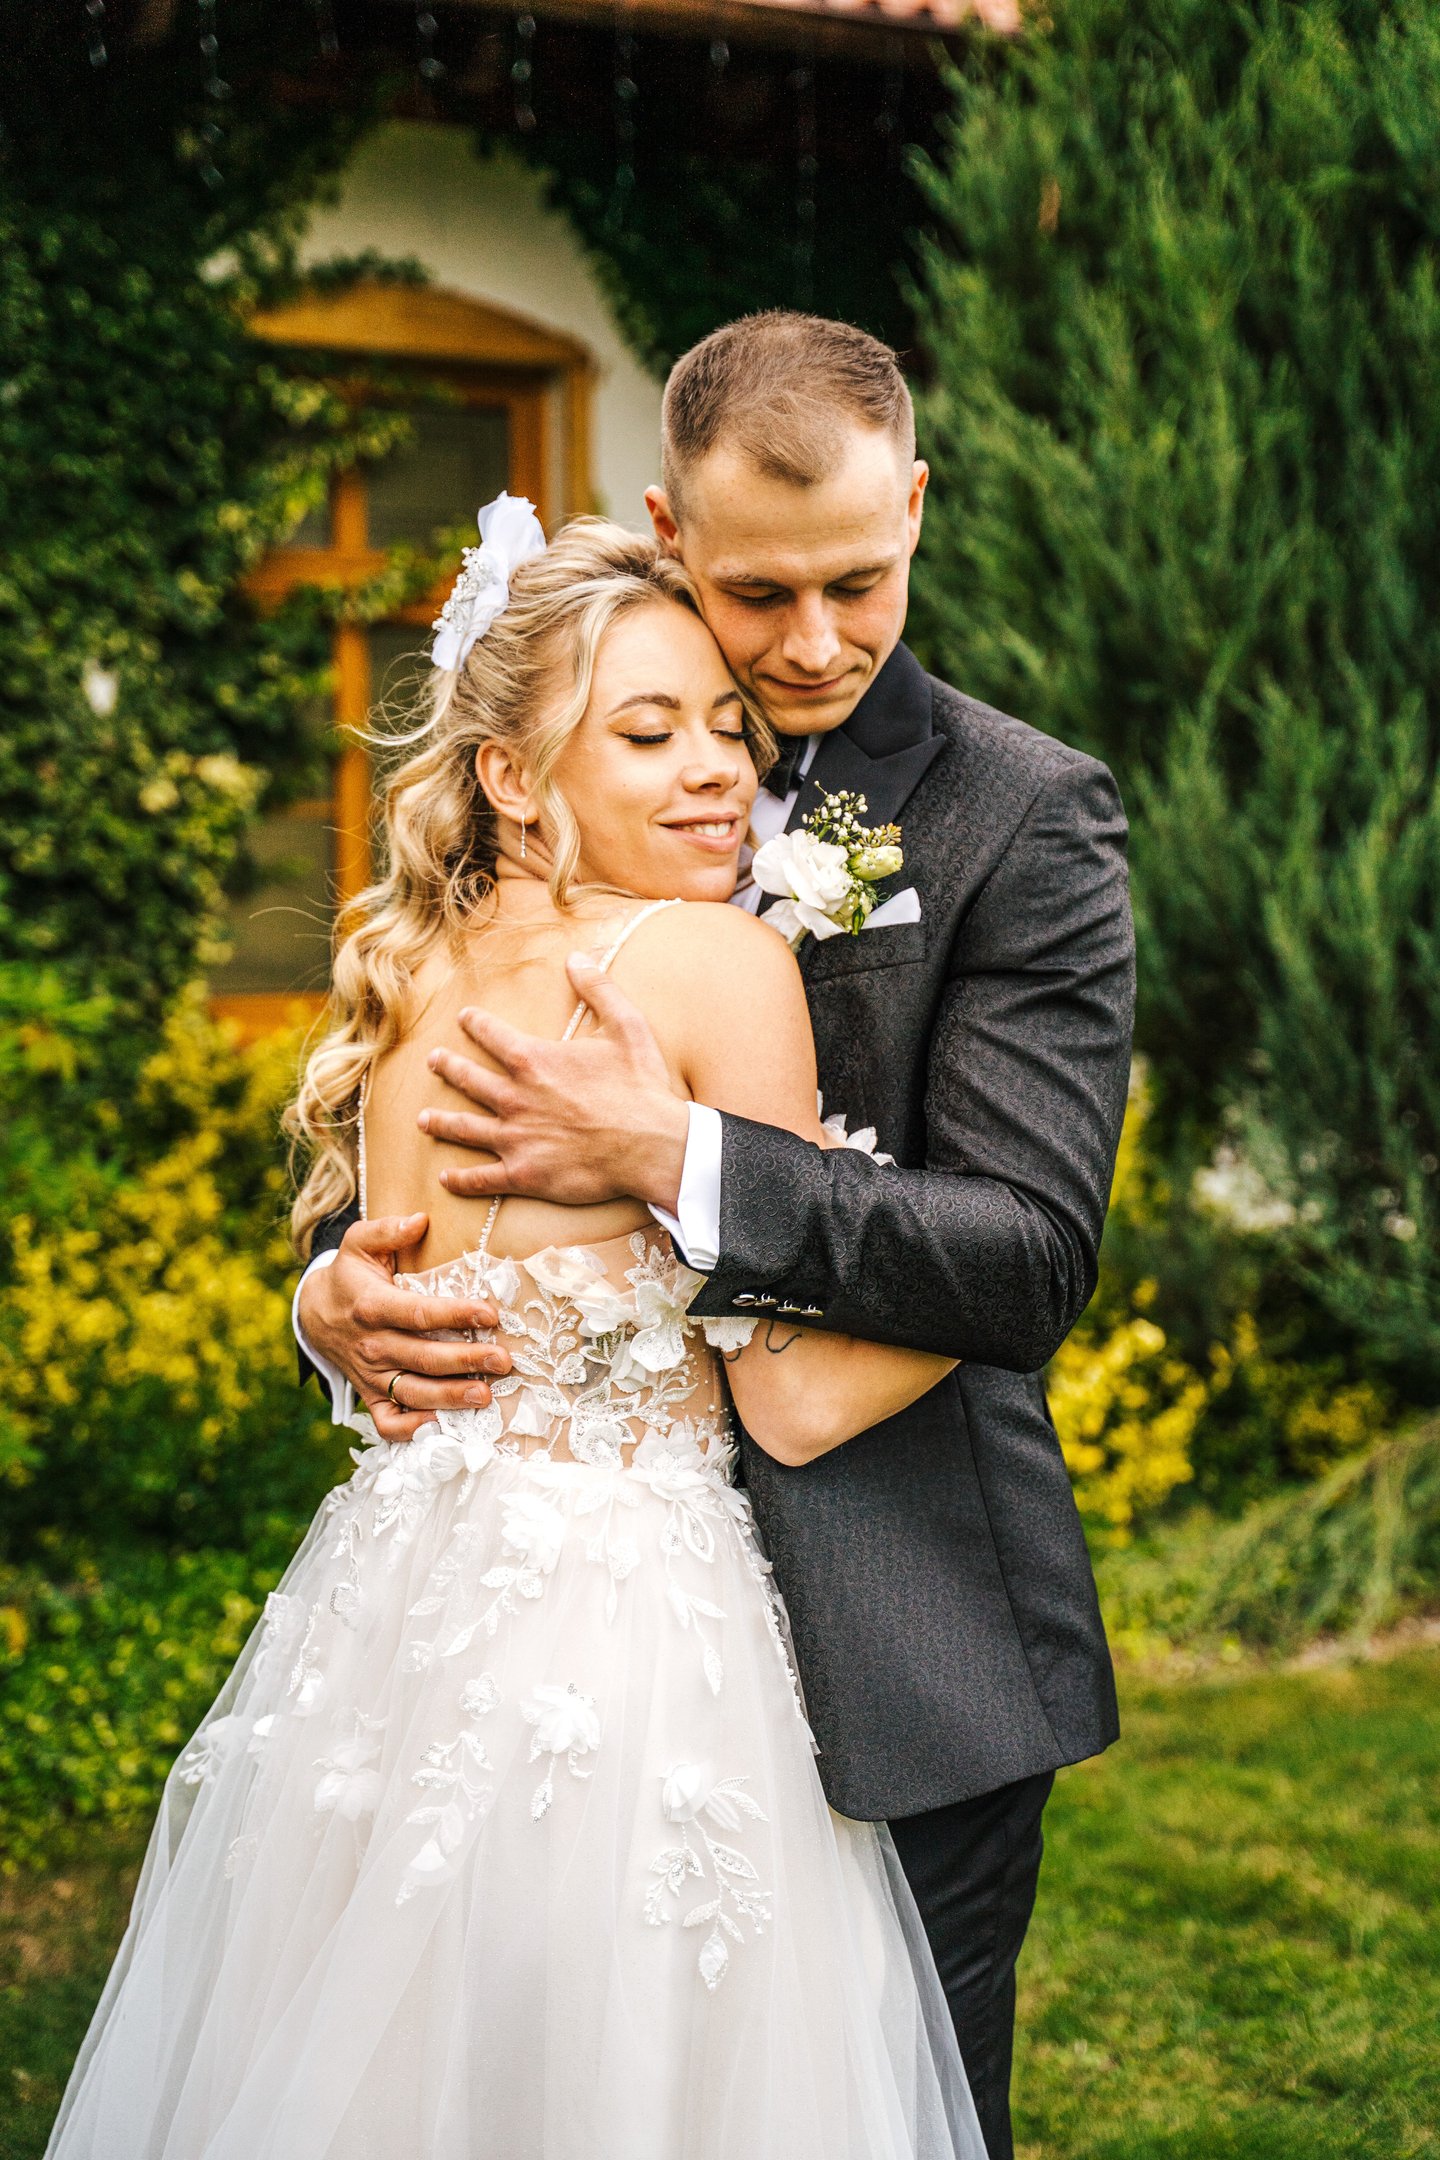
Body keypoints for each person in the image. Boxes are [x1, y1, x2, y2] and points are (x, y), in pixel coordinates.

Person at [296, 313, 1136, 2160]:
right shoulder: (606, 714)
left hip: (898, 1629)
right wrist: (335, 1293)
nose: (816, 644)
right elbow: (438, 1124)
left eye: (862, 580)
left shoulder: (1021, 819)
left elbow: (1023, 1254)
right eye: (762, 594)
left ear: (914, 508)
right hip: (548, 1635)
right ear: (673, 532)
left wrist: (679, 1152)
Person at [46, 509, 986, 2160]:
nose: (716, 773)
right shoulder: (710, 962)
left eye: (726, 728)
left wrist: (320, 1302)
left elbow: (384, 1273)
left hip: (390, 1616)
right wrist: (996, 1289)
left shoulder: (412, 981)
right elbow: (791, 1397)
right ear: (509, 776)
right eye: (647, 731)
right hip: (628, 1638)